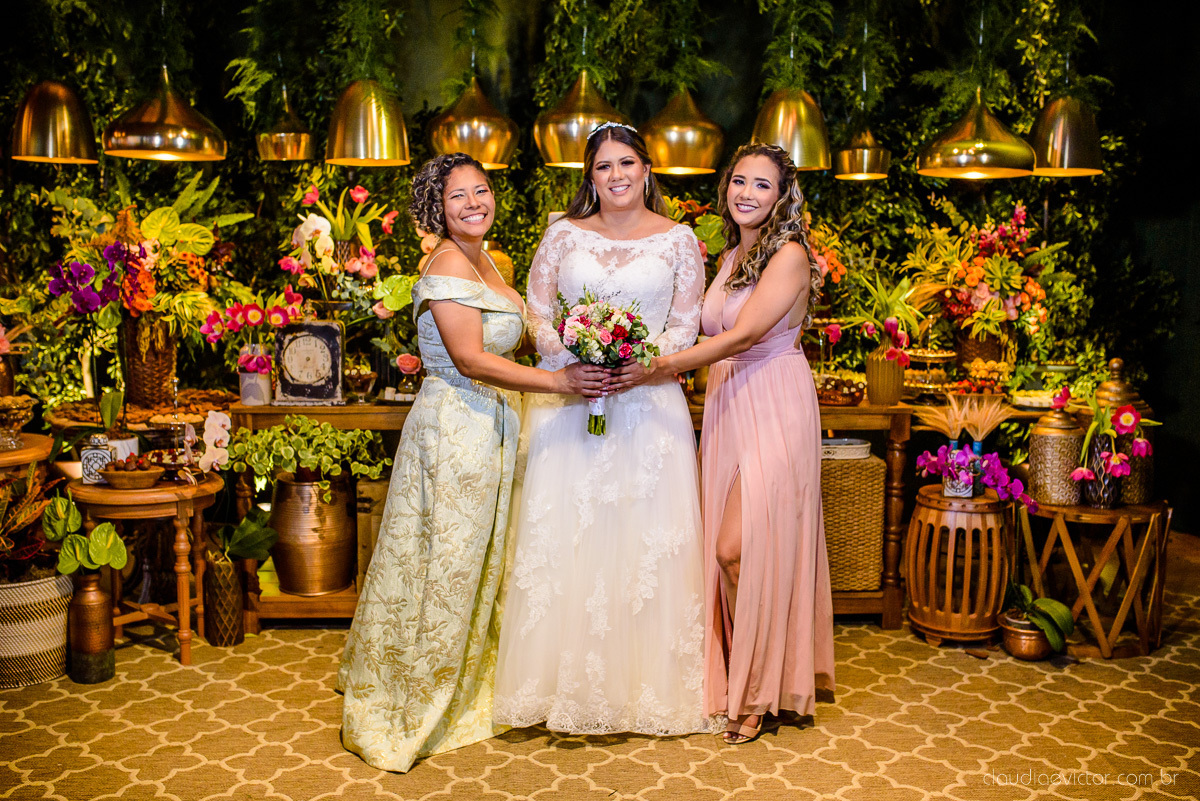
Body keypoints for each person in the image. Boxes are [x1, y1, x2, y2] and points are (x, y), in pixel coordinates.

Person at [338, 153, 608, 772]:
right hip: (456, 427)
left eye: (480, 191)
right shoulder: (449, 262)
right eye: (457, 196)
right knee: (446, 560)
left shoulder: (489, 259)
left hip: (492, 425)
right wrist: (561, 383)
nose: (473, 204)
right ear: (438, 207)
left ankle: (463, 678)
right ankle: (417, 696)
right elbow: (470, 359)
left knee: (476, 556)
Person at [608, 142, 836, 744]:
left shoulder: (788, 255)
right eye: (739, 181)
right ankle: (745, 670)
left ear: (782, 195)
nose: (746, 193)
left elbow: (744, 335)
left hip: (776, 400)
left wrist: (663, 365)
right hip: (730, 402)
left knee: (739, 546)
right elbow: (698, 323)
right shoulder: (732, 253)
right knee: (722, 550)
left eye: (762, 185)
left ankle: (758, 685)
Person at [493, 123, 715, 736]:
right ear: (589, 177)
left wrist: (644, 362)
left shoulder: (680, 241)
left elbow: (684, 324)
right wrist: (570, 356)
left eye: (627, 164)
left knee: (641, 539)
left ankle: (645, 691)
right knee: (572, 534)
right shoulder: (563, 235)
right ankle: (558, 686)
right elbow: (535, 312)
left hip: (649, 406)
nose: (615, 176)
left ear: (647, 170)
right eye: (603, 167)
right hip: (573, 400)